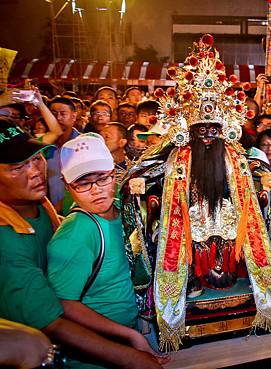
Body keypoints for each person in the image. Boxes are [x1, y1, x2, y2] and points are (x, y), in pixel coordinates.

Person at [121, 36, 271, 351]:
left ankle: (230, 275)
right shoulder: (177, 154)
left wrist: (265, 175)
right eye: (201, 131)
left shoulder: (234, 153)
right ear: (190, 130)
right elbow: (148, 167)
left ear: (223, 128)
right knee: (182, 238)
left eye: (214, 130)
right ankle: (191, 280)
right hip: (188, 214)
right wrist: (135, 182)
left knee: (226, 260)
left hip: (226, 213)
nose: (208, 138)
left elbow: (250, 169)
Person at [0, 118, 163, 369]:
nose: (34, 171)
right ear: (67, 184)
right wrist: (130, 352)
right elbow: (58, 314)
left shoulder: (41, 205)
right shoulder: (15, 242)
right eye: (16, 167)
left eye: (36, 159)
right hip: (90, 354)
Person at [47, 133, 161, 368]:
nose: (96, 190)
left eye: (102, 179)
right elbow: (64, 305)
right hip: (99, 354)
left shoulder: (123, 207)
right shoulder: (76, 234)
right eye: (83, 183)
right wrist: (128, 336)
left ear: (115, 173)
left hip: (130, 334)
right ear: (67, 185)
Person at [47, 97, 81, 207]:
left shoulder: (83, 144)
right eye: (53, 114)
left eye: (63, 114)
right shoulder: (43, 145)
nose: (58, 118)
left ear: (74, 116)